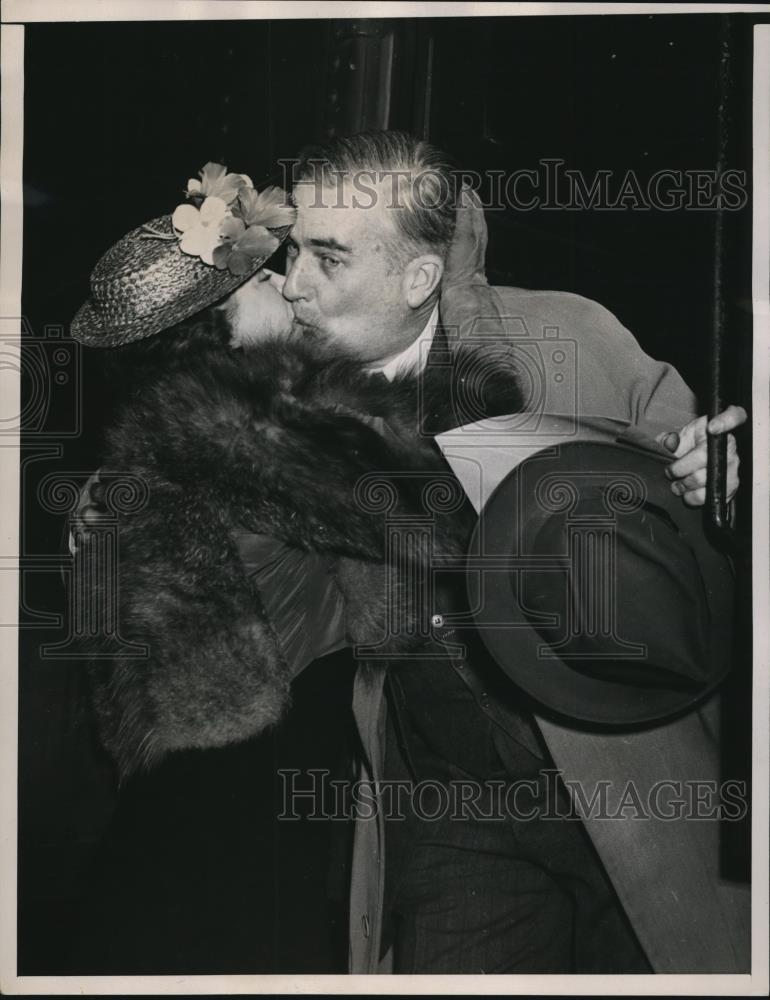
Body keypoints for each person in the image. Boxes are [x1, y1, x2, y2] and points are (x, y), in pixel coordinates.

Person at [71, 134, 748, 975]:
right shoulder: (284, 403)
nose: (295, 284)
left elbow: (696, 467)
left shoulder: (565, 338)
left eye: (328, 258)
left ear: (417, 277)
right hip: (444, 798)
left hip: (620, 780)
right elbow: (240, 607)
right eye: (292, 253)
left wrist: (723, 474)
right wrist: (136, 497)